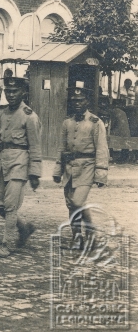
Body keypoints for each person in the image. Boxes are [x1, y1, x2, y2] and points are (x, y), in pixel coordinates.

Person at [0, 76, 41, 258]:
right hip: (2, 163)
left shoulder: (29, 116)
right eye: (8, 91)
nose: (11, 95)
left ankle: (7, 244)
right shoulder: (1, 113)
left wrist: (35, 173)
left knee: (11, 206)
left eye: (15, 91)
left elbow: (35, 147)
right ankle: (24, 228)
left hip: (20, 163)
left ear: (23, 93)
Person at [53, 82, 109, 251]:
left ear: (87, 102)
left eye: (80, 100)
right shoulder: (67, 123)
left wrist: (101, 174)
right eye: (74, 100)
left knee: (77, 201)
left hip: (87, 167)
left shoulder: (95, 122)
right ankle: (78, 239)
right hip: (69, 169)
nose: (77, 103)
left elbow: (102, 148)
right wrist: (57, 170)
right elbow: (62, 148)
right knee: (71, 204)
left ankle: (91, 234)